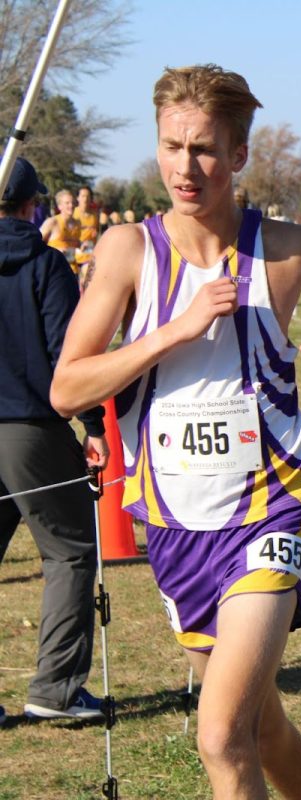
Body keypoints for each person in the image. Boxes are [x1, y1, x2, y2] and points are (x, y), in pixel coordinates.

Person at [50, 64, 301, 799]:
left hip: (271, 505)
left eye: (203, 149)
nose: (184, 167)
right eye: (171, 147)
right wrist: (175, 330)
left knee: (220, 734)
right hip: (173, 519)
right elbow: (68, 386)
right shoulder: (129, 252)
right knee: (260, 727)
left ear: (238, 154)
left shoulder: (291, 249)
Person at [0, 157, 109, 723]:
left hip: (22, 427)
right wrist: (94, 426)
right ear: (30, 206)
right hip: (29, 430)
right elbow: (71, 358)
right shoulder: (46, 266)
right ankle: (56, 690)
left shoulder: (47, 263)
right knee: (69, 550)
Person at [40, 189, 82, 272]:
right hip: (54, 270)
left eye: (73, 202)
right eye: (67, 203)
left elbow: (76, 245)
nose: (71, 205)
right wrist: (57, 250)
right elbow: (36, 244)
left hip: (73, 271)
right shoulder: (52, 222)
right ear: (59, 206)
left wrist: (83, 246)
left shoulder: (78, 223)